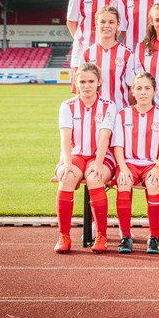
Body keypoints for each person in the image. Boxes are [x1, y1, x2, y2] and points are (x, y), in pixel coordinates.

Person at [53, 62, 117, 254]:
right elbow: (65, 138)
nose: (87, 85)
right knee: (67, 177)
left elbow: (105, 137)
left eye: (91, 81)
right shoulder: (67, 106)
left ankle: (101, 235)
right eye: (82, 82)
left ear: (99, 83)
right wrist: (67, 164)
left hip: (101, 156)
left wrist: (97, 164)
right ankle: (64, 236)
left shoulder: (108, 106)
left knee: (94, 177)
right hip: (76, 155)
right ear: (76, 83)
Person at [111, 71, 159, 254]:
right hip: (128, 163)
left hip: (152, 164)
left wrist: (158, 167)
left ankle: (154, 236)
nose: (143, 92)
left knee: (153, 183)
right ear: (132, 92)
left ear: (154, 91)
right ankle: (126, 236)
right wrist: (122, 168)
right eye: (138, 88)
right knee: (123, 182)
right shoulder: (122, 115)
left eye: (147, 88)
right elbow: (118, 145)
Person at [66, 0, 123, 92]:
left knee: (108, 92)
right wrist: (83, 40)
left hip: (109, 53)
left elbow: (119, 27)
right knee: (83, 94)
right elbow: (71, 22)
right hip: (82, 51)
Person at [81, 6, 133, 110]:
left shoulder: (127, 53)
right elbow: (81, 87)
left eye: (111, 22)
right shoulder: (87, 54)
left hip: (119, 111)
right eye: (102, 22)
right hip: (95, 112)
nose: (106, 26)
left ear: (118, 24)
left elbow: (131, 88)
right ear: (96, 24)